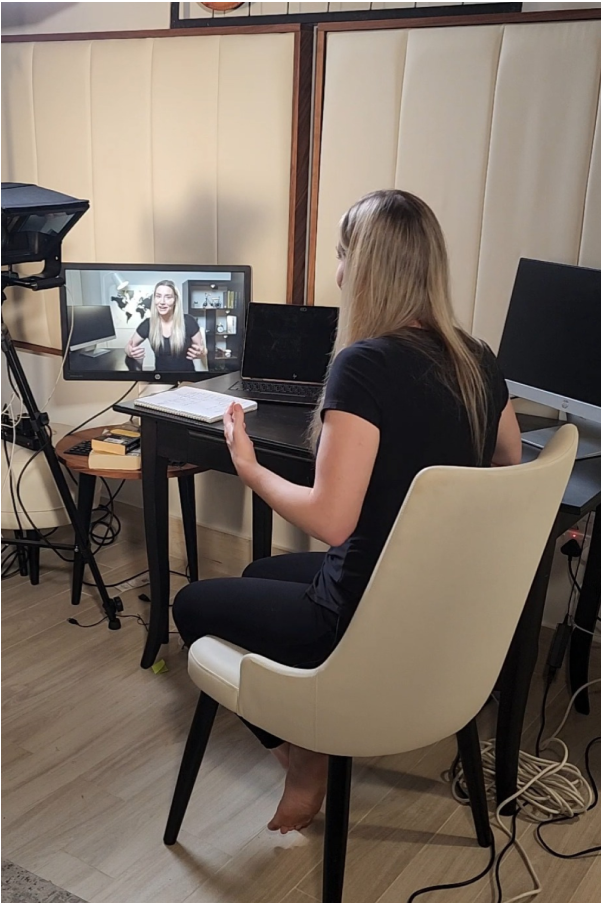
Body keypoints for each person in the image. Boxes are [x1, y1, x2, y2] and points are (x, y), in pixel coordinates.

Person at [172, 189, 522, 835]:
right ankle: (309, 723)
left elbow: (332, 520)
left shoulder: (362, 365)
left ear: (362, 268)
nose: (335, 269)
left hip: (360, 613)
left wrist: (249, 466)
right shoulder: (476, 358)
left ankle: (305, 759)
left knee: (192, 604)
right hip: (440, 603)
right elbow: (508, 461)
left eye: (341, 254)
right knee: (255, 574)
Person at [125, 280, 205, 371]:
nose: (162, 302)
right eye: (158, 296)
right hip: (161, 378)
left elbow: (203, 350)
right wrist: (130, 352)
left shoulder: (189, 321)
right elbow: (128, 346)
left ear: (175, 300)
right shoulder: (148, 324)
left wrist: (201, 353)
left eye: (168, 297)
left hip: (187, 377)